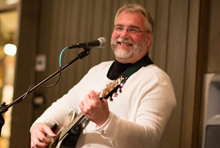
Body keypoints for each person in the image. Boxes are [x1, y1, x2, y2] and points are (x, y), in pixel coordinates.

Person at [30, 3, 176, 148]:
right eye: (119, 28)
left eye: (133, 29)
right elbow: (67, 103)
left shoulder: (156, 81)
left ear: (148, 39)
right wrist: (39, 124)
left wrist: (106, 120)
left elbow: (150, 139)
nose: (124, 35)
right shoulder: (98, 70)